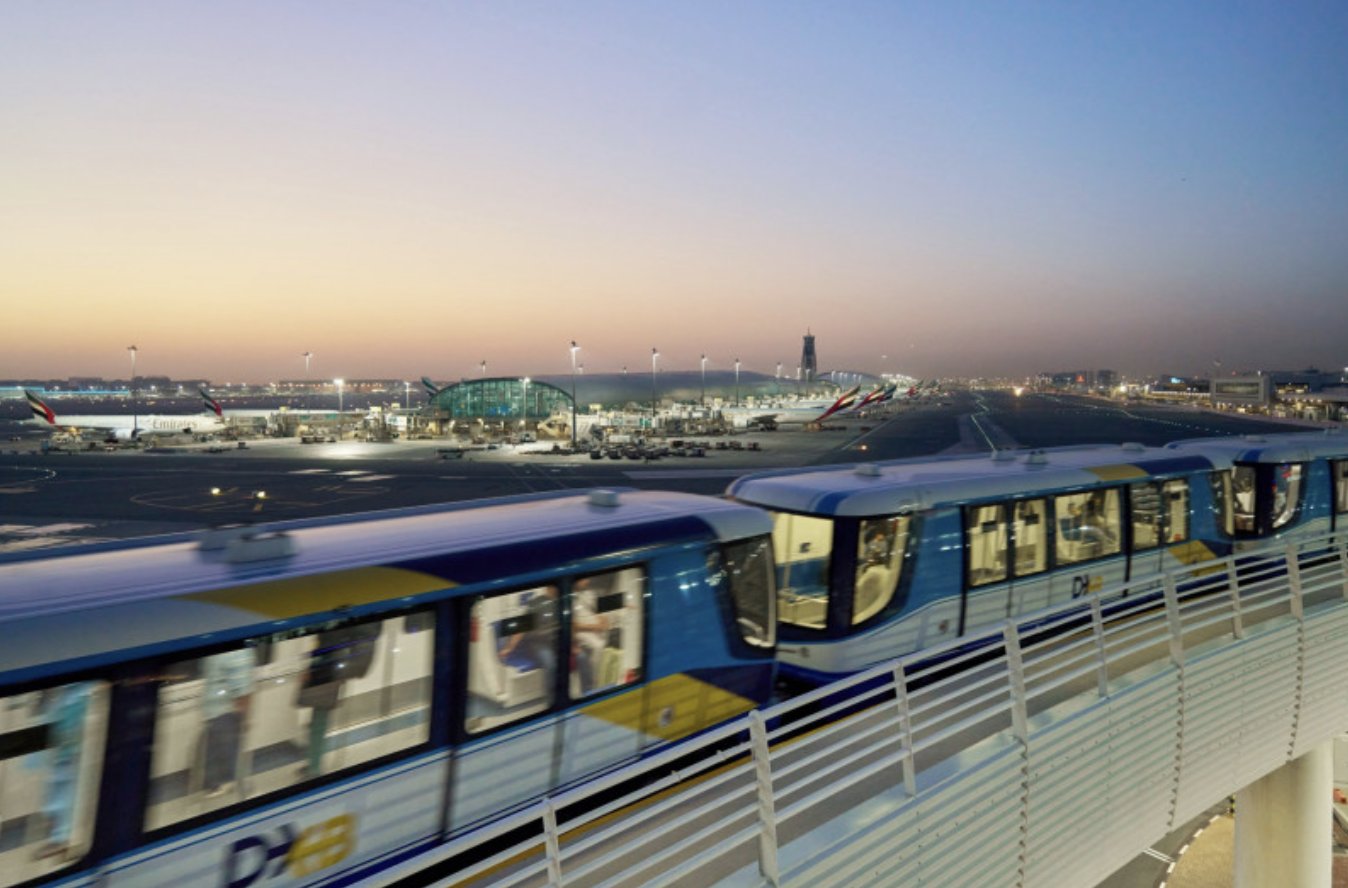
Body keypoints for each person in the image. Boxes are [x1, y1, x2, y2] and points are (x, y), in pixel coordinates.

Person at [296, 622, 381, 778]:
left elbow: (329, 640)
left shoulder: (338, 624)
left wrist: (312, 669)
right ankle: (314, 762)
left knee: (319, 718)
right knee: (319, 717)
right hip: (332, 665)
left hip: (329, 666)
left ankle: (314, 768)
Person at [35, 682, 93, 862]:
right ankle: (58, 838)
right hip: (63, 750)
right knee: (56, 797)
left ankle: (60, 839)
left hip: (71, 750)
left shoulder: (79, 691)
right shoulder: (68, 695)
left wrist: (57, 699)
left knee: (62, 797)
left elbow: (86, 689)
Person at [200, 648, 255, 798]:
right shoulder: (239, 653)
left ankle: (214, 786)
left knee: (214, 749)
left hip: (210, 708)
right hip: (227, 710)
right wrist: (246, 718)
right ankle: (242, 791)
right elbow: (242, 690)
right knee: (233, 753)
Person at [571, 579, 612, 693]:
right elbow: (573, 625)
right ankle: (593, 684)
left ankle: (603, 680)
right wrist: (594, 627)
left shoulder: (589, 593)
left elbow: (599, 610)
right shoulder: (570, 599)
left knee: (607, 642)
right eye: (583, 580)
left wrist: (603, 621)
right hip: (581, 630)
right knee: (598, 645)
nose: (587, 581)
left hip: (594, 626)